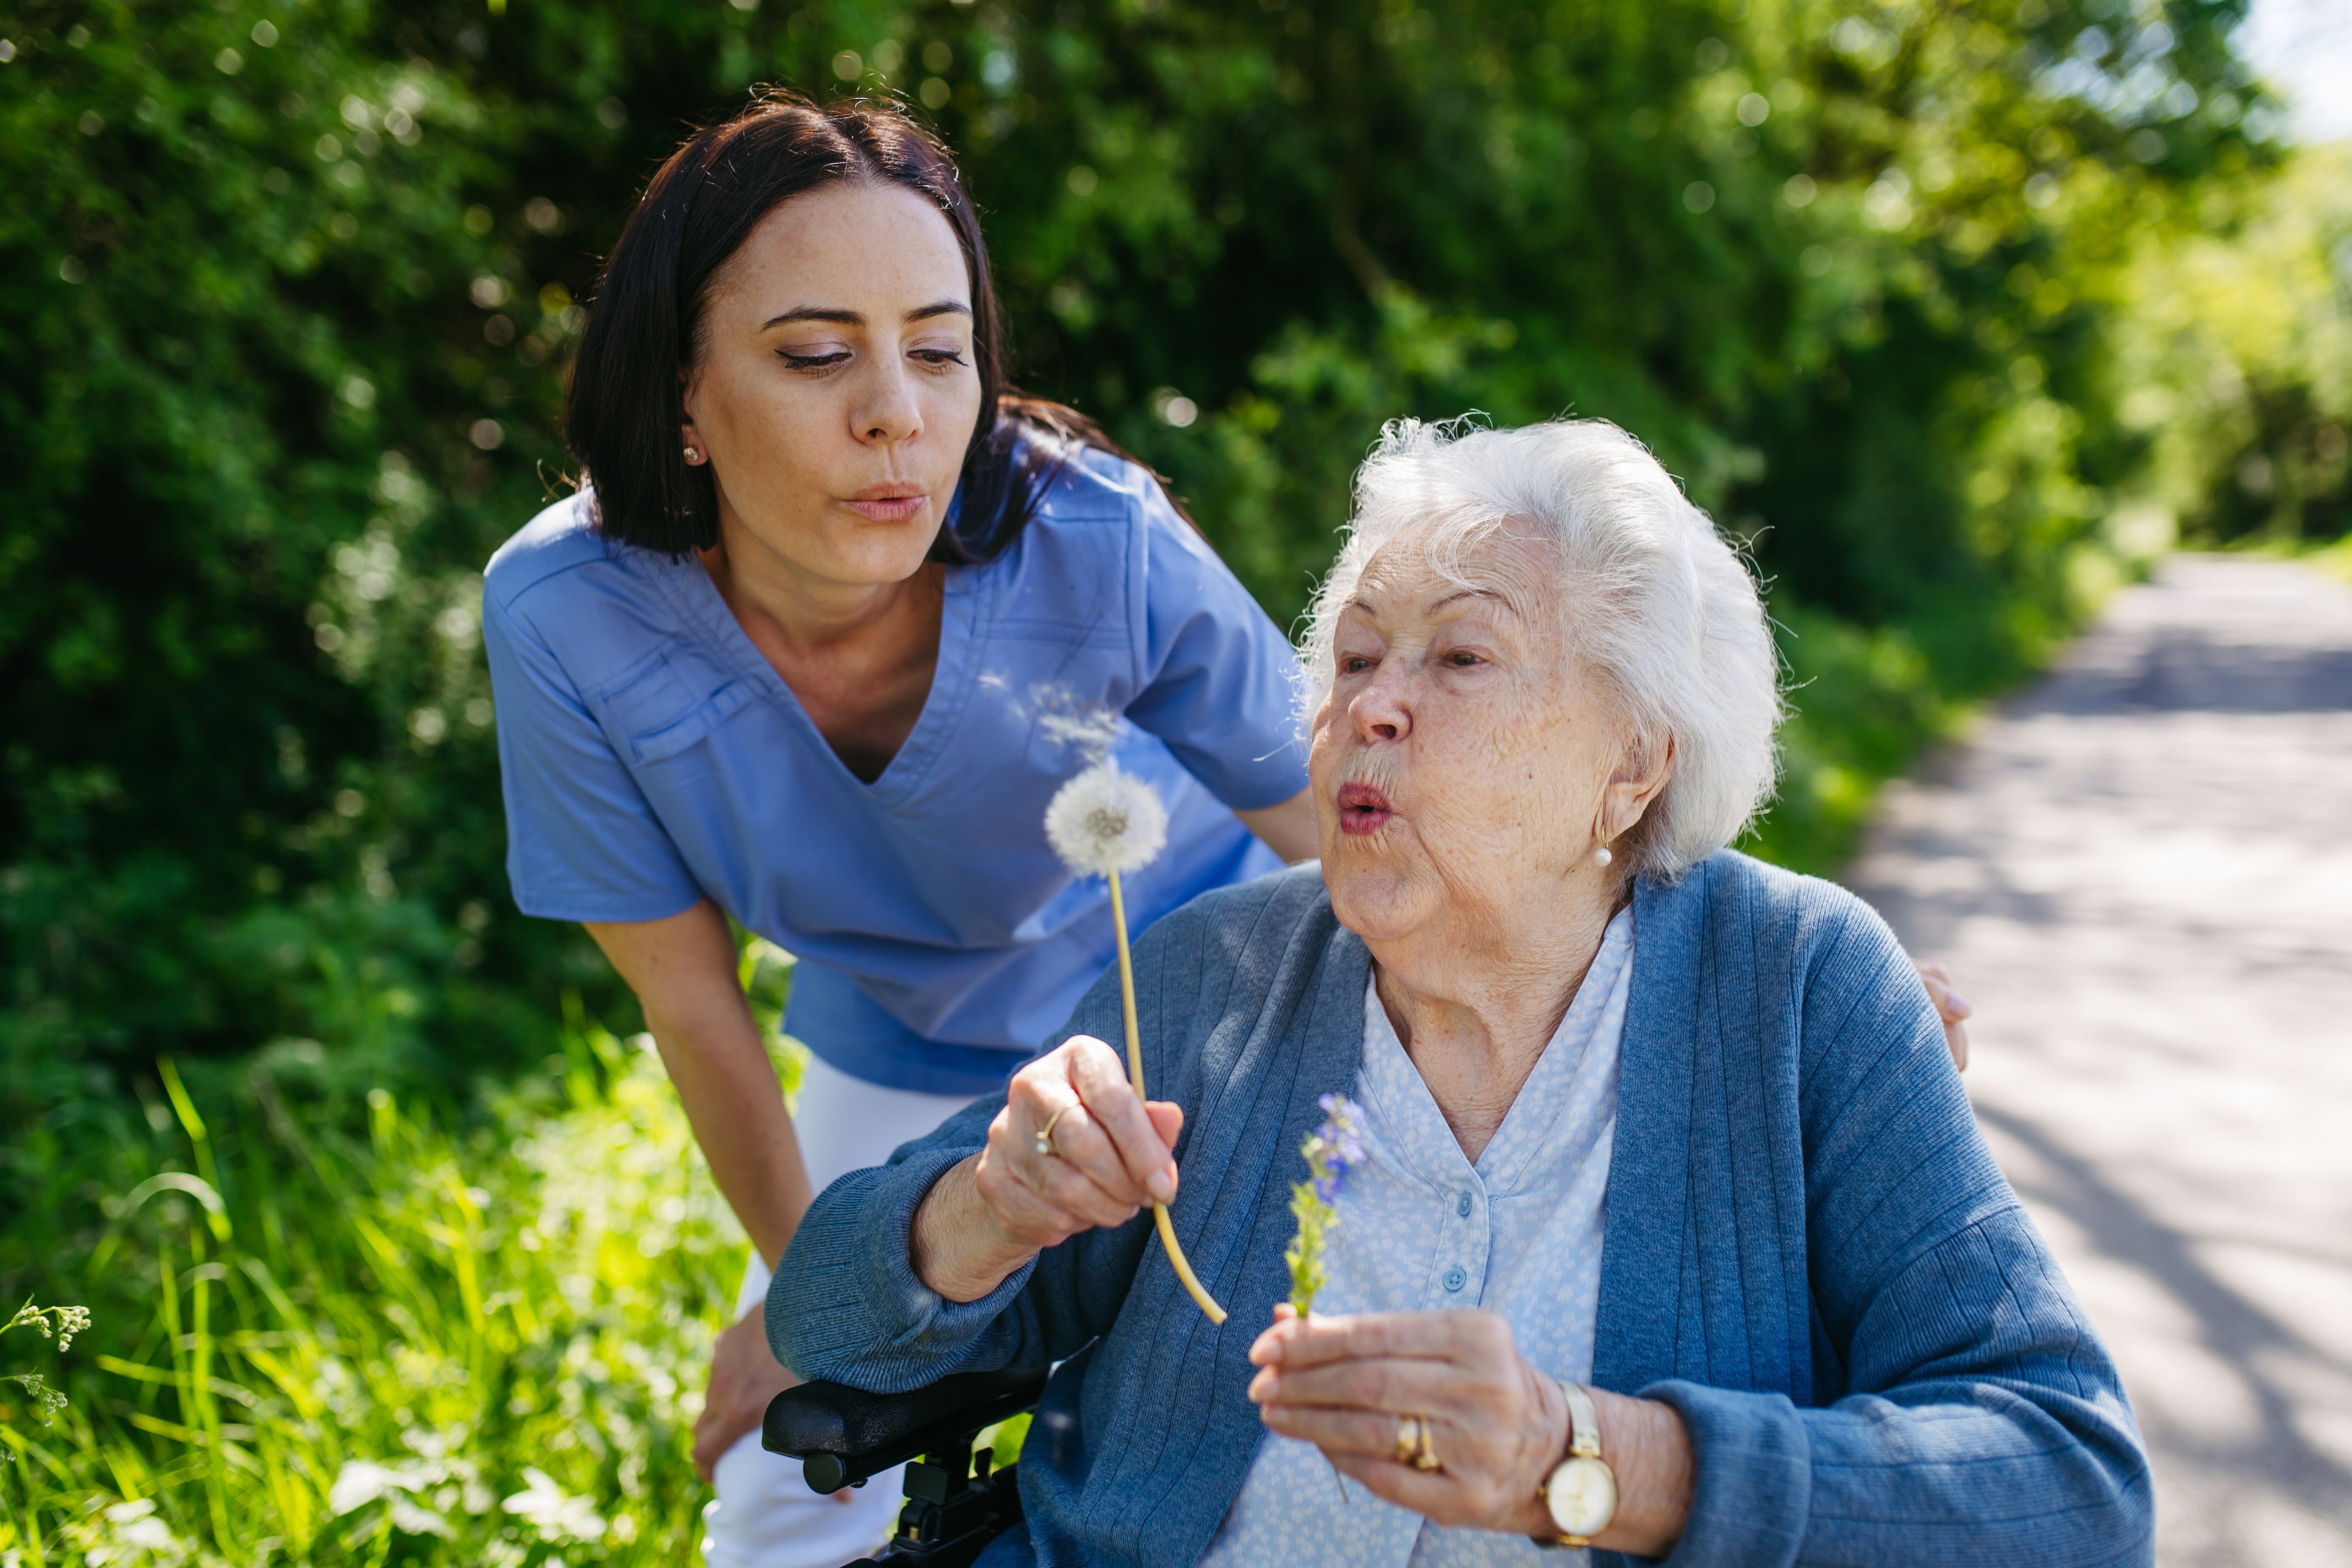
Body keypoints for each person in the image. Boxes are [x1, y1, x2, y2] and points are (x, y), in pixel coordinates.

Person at [772, 418, 2150, 1566]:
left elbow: (2070, 1481)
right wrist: (982, 1212)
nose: (1373, 704)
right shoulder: (1210, 972)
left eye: (1462, 657)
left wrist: (1595, 1460)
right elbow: (820, 1314)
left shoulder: (1803, 991)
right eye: (1357, 658)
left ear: (1633, 766)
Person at [479, 94, 1325, 1568]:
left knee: (1200, 1424)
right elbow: (689, 998)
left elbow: (1352, 844)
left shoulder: (1100, 537)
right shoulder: (563, 615)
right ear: (683, 396)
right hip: (899, 1041)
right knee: (782, 1470)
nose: (898, 413)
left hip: (1190, 1012)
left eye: (940, 351)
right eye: (816, 355)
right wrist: (813, 1288)